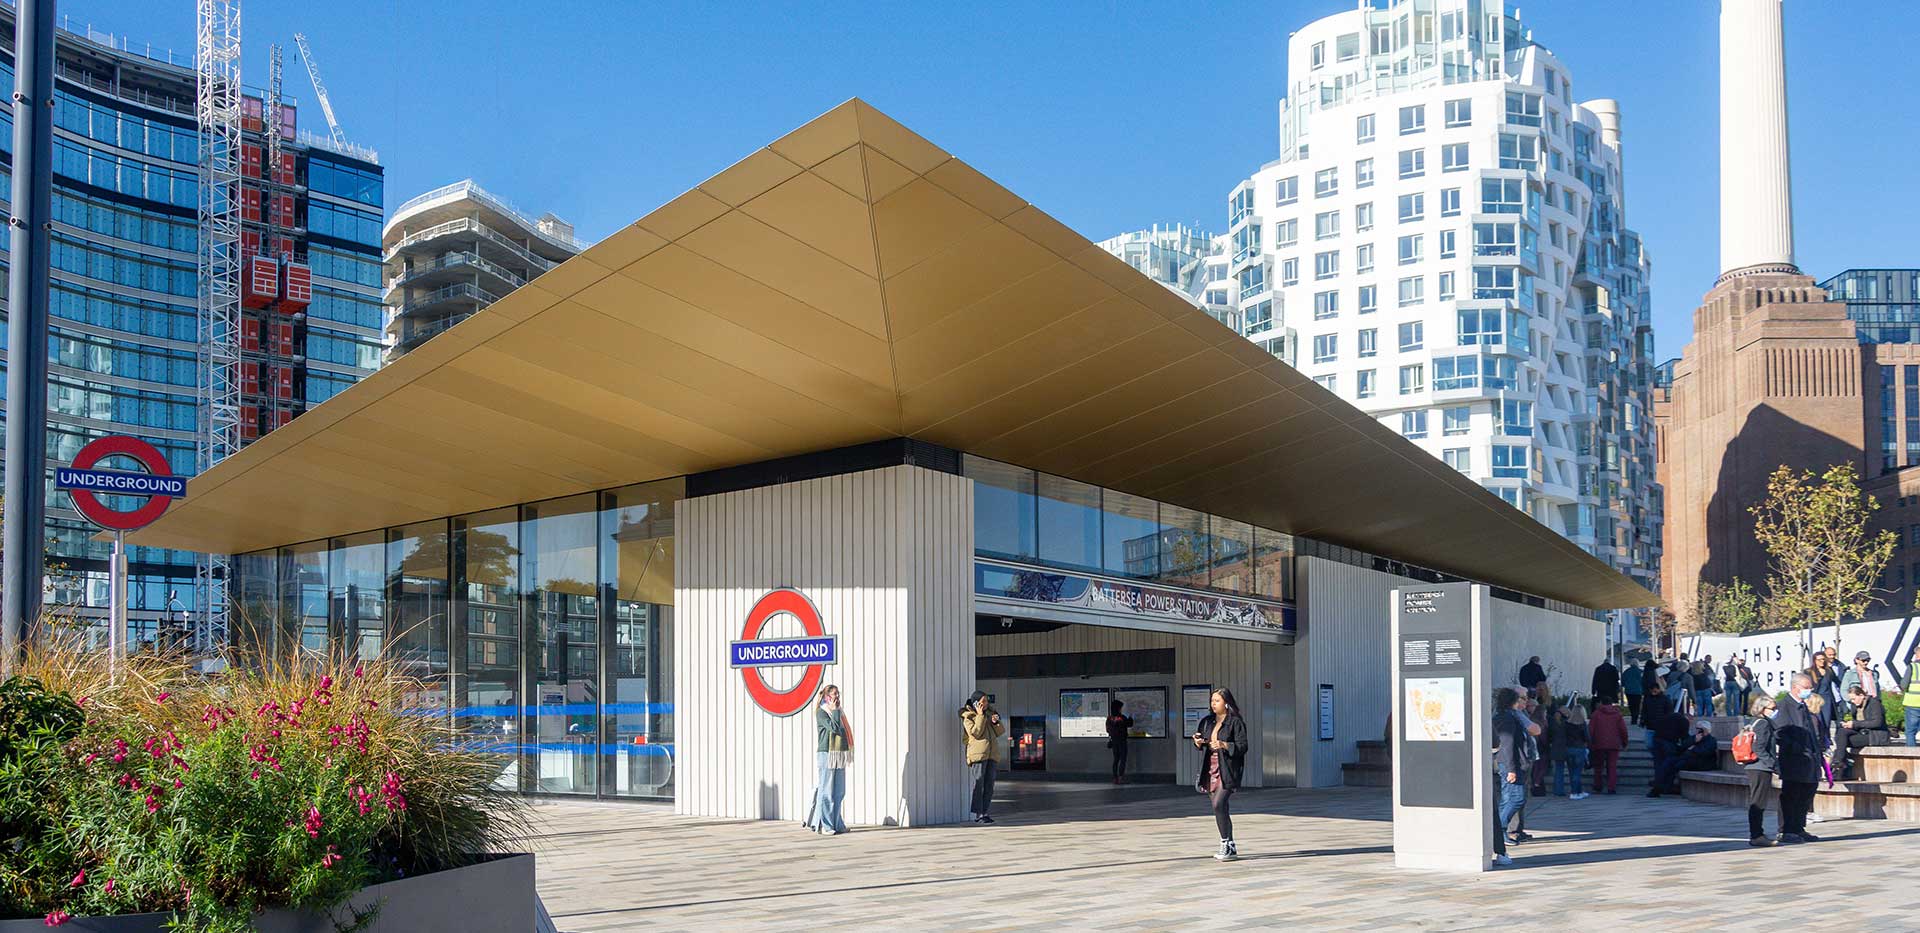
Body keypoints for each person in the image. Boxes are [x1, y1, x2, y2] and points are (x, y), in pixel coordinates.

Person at [1192, 687, 1248, 861]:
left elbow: (1243, 746)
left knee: (1218, 803)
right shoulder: (1207, 721)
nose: (1213, 704)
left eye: (1217, 701)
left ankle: (1226, 842)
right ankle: (1229, 845)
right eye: (1212, 701)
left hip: (1227, 768)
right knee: (1220, 808)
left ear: (1226, 702)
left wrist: (1225, 745)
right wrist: (1198, 742)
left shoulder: (1235, 722)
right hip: (1210, 768)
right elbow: (1201, 741)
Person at [1774, 673, 1823, 843]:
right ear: (1795, 688)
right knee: (1791, 795)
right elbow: (1780, 732)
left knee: (1805, 794)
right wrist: (1796, 748)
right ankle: (1786, 830)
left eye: (1810, 688)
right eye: (1806, 687)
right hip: (1794, 759)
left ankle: (1798, 827)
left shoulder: (1803, 706)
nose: (1809, 691)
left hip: (1810, 758)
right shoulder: (1783, 705)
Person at [1492, 687, 1540, 858]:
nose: (1523, 701)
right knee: (1517, 798)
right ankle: (1498, 830)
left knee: (1508, 798)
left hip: (1514, 763)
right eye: (1520, 698)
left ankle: (1500, 832)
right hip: (1511, 764)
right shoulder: (1507, 718)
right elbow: (1507, 745)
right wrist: (1512, 769)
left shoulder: (1510, 716)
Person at [803, 684, 852, 835]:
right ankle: (826, 825)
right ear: (826, 697)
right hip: (826, 754)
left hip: (839, 754)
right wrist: (835, 710)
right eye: (834, 694)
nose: (837, 697)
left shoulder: (839, 711)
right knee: (827, 791)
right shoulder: (821, 712)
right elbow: (835, 728)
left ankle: (837, 823)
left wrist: (837, 710)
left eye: (838, 694)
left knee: (839, 791)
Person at [961, 691, 1004, 824]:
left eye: (986, 701)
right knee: (979, 782)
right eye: (983, 701)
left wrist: (995, 722)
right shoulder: (968, 716)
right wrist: (980, 716)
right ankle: (978, 813)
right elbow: (975, 733)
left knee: (989, 784)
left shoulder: (989, 713)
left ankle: (985, 812)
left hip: (991, 754)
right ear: (976, 703)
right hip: (978, 754)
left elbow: (1000, 732)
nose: (985, 704)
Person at [1831, 684, 1889, 780]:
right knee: (1841, 733)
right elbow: (1858, 723)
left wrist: (1855, 724)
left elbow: (1877, 723)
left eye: (1854, 699)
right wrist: (1848, 725)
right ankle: (1839, 762)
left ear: (1861, 695)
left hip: (1875, 735)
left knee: (1842, 743)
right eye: (1851, 700)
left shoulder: (1874, 704)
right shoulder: (1855, 706)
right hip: (1862, 731)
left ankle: (1839, 766)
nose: (1852, 702)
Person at [1744, 694, 1780, 847]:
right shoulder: (1763, 724)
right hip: (1760, 767)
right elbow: (1758, 747)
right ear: (1763, 709)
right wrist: (1773, 764)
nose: (1774, 711)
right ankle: (1757, 835)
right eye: (1772, 708)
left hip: (1755, 767)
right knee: (1758, 802)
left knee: (1757, 801)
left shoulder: (1755, 722)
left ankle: (1757, 834)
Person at [1646, 697, 1689, 796]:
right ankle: (1661, 787)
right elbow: (1684, 738)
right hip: (1668, 744)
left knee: (1659, 766)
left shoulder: (1665, 717)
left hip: (1657, 741)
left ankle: (1661, 786)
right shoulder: (1683, 721)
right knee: (1668, 765)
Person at [1588, 697, 1628, 795]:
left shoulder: (1596, 714)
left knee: (1598, 767)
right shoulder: (1617, 714)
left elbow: (1590, 730)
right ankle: (1611, 787)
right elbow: (1623, 730)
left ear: (1601, 703)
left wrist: (1589, 743)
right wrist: (1624, 742)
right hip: (1614, 744)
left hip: (1599, 743)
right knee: (1612, 766)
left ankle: (1598, 786)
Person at [1553, 704, 1591, 799]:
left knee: (1572, 770)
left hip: (1568, 749)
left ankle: (1578, 791)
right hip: (1579, 749)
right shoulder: (1582, 724)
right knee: (1577, 772)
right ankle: (1574, 792)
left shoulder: (1566, 724)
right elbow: (1587, 738)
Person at [1106, 700, 1134, 784]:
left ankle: (1115, 778)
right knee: (1123, 759)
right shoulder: (1122, 718)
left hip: (1114, 741)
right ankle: (1121, 778)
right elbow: (1129, 724)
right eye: (1121, 708)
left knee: (1116, 760)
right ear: (1118, 708)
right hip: (1122, 741)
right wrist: (1131, 717)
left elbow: (1107, 730)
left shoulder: (1109, 718)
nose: (1121, 709)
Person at [1905, 644, 1920, 748]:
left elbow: (1904, 684)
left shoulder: (1912, 667)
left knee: (1910, 731)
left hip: (1913, 703)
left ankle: (1913, 755)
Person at [1622, 660, 1645, 726]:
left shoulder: (1626, 672)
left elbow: (1623, 681)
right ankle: (1635, 718)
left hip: (1628, 691)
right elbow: (1643, 681)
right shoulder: (1640, 672)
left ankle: (1633, 716)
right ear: (1637, 664)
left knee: (1631, 704)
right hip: (1638, 691)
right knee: (1637, 705)